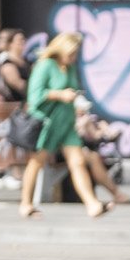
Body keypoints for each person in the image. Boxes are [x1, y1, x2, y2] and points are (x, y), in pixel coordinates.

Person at [18, 31, 108, 219]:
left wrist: (76, 101)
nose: (74, 57)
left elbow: (72, 89)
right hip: (47, 123)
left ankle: (91, 203)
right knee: (36, 162)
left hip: (66, 122)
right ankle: (26, 203)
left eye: (76, 53)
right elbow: (34, 97)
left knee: (78, 162)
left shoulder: (69, 67)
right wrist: (59, 94)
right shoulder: (45, 66)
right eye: (72, 52)